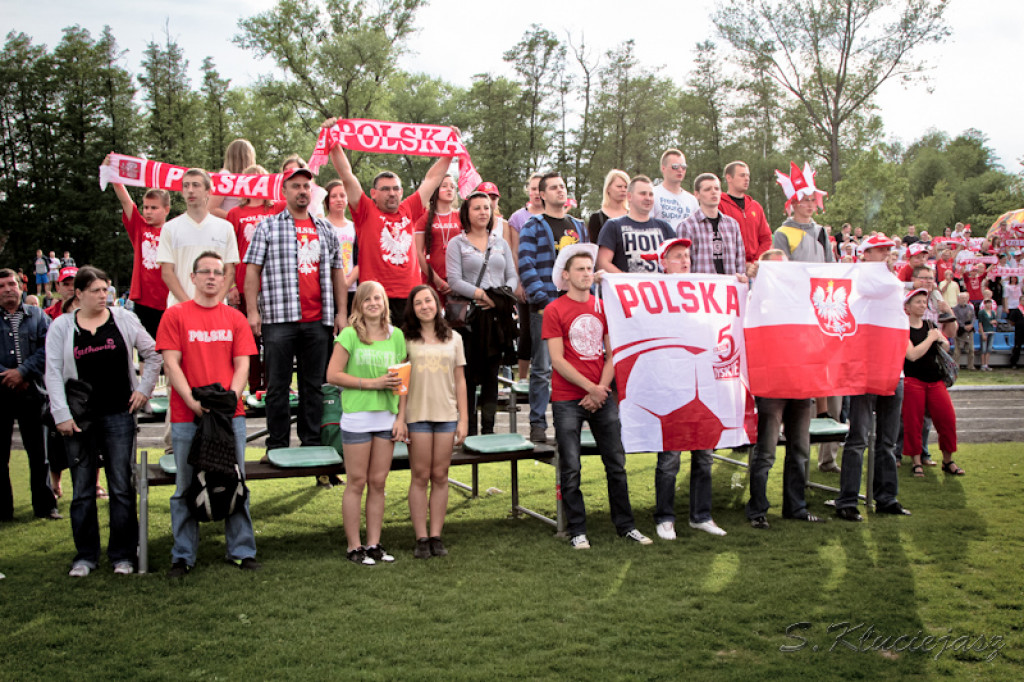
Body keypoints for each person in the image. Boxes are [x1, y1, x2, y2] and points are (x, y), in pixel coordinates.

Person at [44, 266, 162, 576]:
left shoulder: (123, 318)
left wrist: (143, 390)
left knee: (121, 485)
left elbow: (154, 354)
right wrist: (62, 414)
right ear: (78, 294)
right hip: (80, 418)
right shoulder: (61, 327)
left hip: (119, 414)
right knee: (83, 488)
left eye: (106, 289)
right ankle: (85, 556)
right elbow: (53, 372)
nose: (103, 296)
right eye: (96, 290)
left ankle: (123, 555)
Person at [156, 251, 261, 577]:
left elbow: (243, 362)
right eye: (206, 272)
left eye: (218, 272)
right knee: (186, 486)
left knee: (235, 481)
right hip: (188, 417)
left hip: (230, 416)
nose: (213, 277)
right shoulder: (175, 316)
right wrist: (189, 399)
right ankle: (183, 555)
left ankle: (241, 550)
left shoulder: (235, 319)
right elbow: (170, 362)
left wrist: (230, 398)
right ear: (194, 277)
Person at [542, 244, 652, 549]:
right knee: (572, 466)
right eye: (579, 269)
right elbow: (558, 360)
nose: (586, 274)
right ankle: (577, 529)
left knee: (616, 462)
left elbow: (612, 352)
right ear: (565, 275)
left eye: (589, 269)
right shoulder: (554, 310)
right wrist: (590, 389)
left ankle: (626, 525)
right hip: (567, 399)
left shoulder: (604, 307)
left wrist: (600, 390)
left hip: (601, 396)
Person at [244, 166, 346, 452]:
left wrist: (341, 312)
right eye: (296, 186)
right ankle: (276, 446)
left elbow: (338, 272)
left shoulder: (325, 227)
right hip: (279, 319)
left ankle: (311, 444)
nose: (302, 191)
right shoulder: (268, 226)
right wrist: (253, 312)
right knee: (277, 387)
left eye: (306, 186)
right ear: (284, 191)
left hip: (318, 320)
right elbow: (252, 272)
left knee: (313, 387)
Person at [324, 119, 453, 323]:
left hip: (409, 297)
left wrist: (449, 151)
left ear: (402, 192)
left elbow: (432, 179)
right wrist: (333, 142)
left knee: (406, 352)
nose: (391, 193)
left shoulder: (409, 208)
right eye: (385, 189)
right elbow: (347, 175)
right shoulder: (365, 210)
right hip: (374, 298)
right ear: (373, 193)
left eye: (395, 189)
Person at [644, 237, 728, 537]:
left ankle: (701, 515)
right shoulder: (651, 294)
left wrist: (742, 282)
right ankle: (664, 517)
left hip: (703, 384)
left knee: (704, 454)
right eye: (677, 256)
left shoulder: (703, 291)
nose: (684, 260)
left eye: (687, 255)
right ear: (663, 262)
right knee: (670, 457)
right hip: (669, 386)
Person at [326, 281, 407, 566]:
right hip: (357, 418)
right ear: (358, 305)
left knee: (378, 482)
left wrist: (401, 418)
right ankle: (353, 546)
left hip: (386, 418)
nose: (374, 303)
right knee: (356, 482)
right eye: (367, 299)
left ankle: (374, 544)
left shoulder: (396, 336)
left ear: (385, 302)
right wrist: (372, 384)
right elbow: (333, 375)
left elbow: (402, 383)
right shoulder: (349, 335)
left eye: (378, 298)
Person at [834, 236, 911, 521]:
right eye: (880, 250)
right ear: (865, 254)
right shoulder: (864, 280)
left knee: (887, 441)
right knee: (858, 439)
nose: (886, 255)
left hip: (892, 368)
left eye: (888, 250)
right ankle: (848, 500)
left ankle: (886, 497)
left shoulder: (888, 281)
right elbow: (874, 288)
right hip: (867, 368)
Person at [772, 161, 840, 472]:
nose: (810, 205)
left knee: (822, 364)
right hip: (794, 309)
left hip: (821, 307)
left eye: (813, 200)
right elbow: (780, 272)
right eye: (804, 200)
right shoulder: (782, 232)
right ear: (793, 202)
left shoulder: (823, 232)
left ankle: (824, 416)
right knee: (797, 367)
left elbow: (830, 268)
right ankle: (792, 421)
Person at [518, 172, 589, 443]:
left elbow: (586, 264)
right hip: (546, 306)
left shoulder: (578, 226)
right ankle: (537, 424)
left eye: (562, 186)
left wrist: (587, 296)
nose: (560, 190)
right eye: (554, 187)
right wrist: (544, 300)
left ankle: (575, 421)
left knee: (578, 364)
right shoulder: (533, 226)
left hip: (577, 306)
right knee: (542, 367)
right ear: (542, 195)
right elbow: (526, 264)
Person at [402, 285, 468, 559]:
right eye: (418, 303)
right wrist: (401, 418)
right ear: (413, 309)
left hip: (446, 416)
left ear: (437, 303)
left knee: (440, 476)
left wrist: (463, 418)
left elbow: (460, 380)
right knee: (420, 476)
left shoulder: (454, 338)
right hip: (416, 416)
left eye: (428, 300)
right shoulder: (405, 340)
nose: (424, 306)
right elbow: (400, 382)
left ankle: (437, 536)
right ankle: (421, 537)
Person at [446, 192, 518, 435]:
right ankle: (468, 429)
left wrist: (499, 297)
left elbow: (511, 275)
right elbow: (454, 280)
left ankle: (488, 431)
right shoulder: (457, 243)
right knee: (467, 374)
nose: (483, 212)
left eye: (487, 207)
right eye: (477, 208)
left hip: (497, 318)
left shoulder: (500, 242)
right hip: (470, 319)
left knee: (491, 374)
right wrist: (481, 295)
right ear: (467, 213)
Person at [0, 268, 60, 522]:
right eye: (1, 286)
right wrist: (9, 376)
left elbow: (48, 348)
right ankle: (3, 511)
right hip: (1, 392)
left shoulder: (37, 315)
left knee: (39, 453)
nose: (7, 289)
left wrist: (23, 372)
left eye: (11, 284)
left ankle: (45, 507)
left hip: (33, 391)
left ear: (21, 287)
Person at [225, 163, 281, 395]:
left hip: (272, 286)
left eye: (260, 179)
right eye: (250, 179)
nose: (255, 183)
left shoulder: (278, 209)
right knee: (248, 340)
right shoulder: (235, 214)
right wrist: (231, 285)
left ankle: (272, 386)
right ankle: (253, 386)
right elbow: (229, 252)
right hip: (244, 284)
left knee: (273, 340)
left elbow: (307, 196)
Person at [104, 154, 173, 338]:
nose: (148, 211)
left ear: (166, 210)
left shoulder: (174, 231)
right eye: (146, 207)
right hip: (143, 299)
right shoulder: (139, 227)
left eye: (154, 208)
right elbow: (126, 201)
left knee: (169, 348)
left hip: (168, 298)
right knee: (146, 349)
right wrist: (114, 176)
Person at [156, 168, 240, 307]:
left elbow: (229, 271)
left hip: (215, 311)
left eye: (196, 185)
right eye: (186, 185)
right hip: (180, 309)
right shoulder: (170, 228)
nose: (190, 190)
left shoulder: (225, 228)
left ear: (209, 191)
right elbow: (167, 273)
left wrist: (214, 302)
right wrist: (189, 306)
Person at [902, 288, 963, 478]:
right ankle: (916, 462)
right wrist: (931, 339)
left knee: (947, 419)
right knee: (913, 423)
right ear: (908, 307)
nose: (922, 305)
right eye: (918, 302)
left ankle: (948, 460)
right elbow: (912, 355)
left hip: (935, 380)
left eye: (923, 301)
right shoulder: (903, 328)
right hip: (913, 381)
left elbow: (945, 343)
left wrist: (940, 335)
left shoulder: (930, 324)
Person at [507, 173, 545, 386]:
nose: (536, 193)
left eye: (540, 188)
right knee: (527, 330)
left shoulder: (555, 215)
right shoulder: (518, 218)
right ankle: (522, 379)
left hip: (549, 281)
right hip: (527, 282)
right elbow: (514, 252)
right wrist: (519, 283)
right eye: (532, 188)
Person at [596, 175, 674, 275]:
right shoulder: (613, 225)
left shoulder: (665, 228)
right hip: (625, 288)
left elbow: (676, 261)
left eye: (651, 194)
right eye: (643, 194)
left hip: (659, 288)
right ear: (629, 196)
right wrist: (630, 283)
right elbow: (602, 263)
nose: (648, 198)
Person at [677, 173, 747, 278]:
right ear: (697, 194)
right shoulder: (687, 226)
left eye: (716, 188)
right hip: (701, 288)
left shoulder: (732, 225)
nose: (713, 192)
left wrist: (741, 280)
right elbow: (684, 264)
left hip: (729, 287)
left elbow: (740, 259)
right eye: (707, 189)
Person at [719, 161, 771, 270]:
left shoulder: (755, 206)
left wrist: (756, 262)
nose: (746, 179)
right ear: (729, 178)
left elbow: (766, 238)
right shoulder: (720, 205)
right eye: (742, 175)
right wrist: (741, 263)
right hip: (731, 268)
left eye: (748, 175)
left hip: (755, 268)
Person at [414, 175, 459, 299]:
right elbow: (418, 252)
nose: (449, 189)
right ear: (435, 189)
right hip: (431, 279)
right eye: (444, 186)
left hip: (458, 278)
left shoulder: (460, 216)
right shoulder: (424, 217)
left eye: (452, 187)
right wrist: (438, 281)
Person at [323, 180, 359, 317]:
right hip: (328, 288)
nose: (339, 199)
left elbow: (361, 258)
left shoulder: (354, 226)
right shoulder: (322, 225)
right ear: (327, 200)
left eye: (342, 195)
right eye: (334, 196)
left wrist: (347, 283)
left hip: (352, 287)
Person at [650, 149, 699, 234]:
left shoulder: (692, 200)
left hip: (684, 245)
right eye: (675, 166)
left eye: (683, 167)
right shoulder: (652, 194)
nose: (680, 170)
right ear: (663, 168)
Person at [207, 138, 257, 219]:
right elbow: (210, 209)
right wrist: (238, 218)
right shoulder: (224, 177)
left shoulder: (252, 177)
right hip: (230, 226)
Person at [587, 169, 629, 243]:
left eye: (626, 187)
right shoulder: (596, 218)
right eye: (619, 186)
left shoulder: (633, 216)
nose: (623, 190)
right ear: (608, 188)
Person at [952, 292, 977, 370]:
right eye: (962, 298)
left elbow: (973, 317)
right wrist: (963, 326)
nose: (964, 300)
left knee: (971, 349)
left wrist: (971, 325)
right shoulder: (955, 309)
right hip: (959, 330)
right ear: (958, 299)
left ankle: (970, 366)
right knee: (957, 350)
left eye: (965, 298)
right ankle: (956, 366)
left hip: (969, 331)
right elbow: (956, 318)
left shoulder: (970, 307)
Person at [977, 298, 997, 371]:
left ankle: (986, 364)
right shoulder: (981, 312)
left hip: (991, 331)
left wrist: (994, 322)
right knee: (983, 349)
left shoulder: (993, 312)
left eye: (990, 303)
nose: (989, 305)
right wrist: (982, 333)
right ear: (985, 304)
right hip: (984, 331)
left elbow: (995, 321)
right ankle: (982, 364)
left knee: (989, 349)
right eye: (987, 303)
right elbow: (980, 323)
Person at [1007, 294, 1024, 368]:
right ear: (1020, 301)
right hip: (1019, 332)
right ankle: (1013, 362)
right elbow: (1011, 321)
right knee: (1017, 347)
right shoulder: (1016, 310)